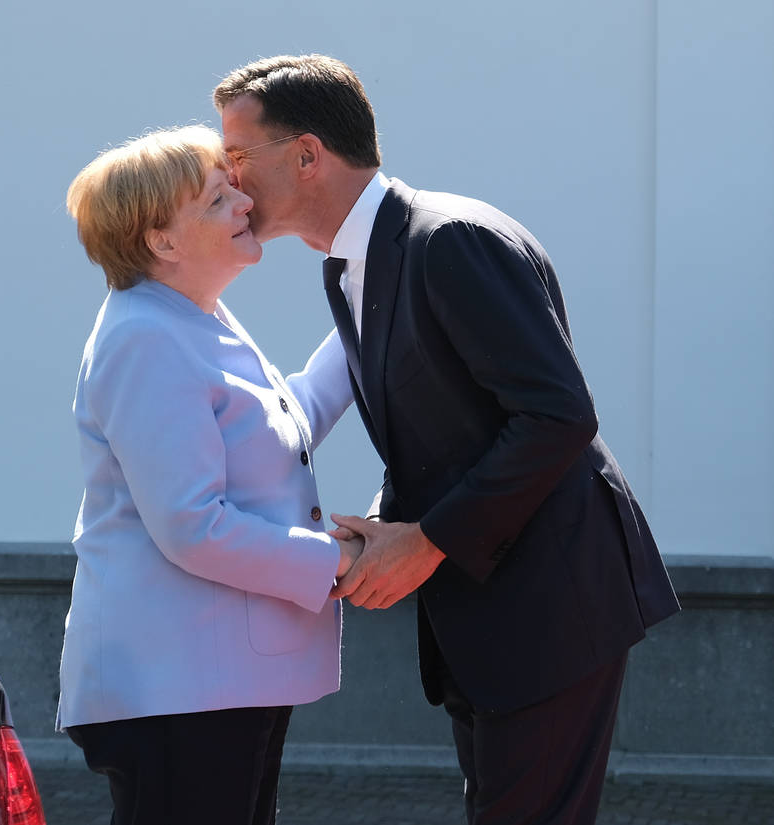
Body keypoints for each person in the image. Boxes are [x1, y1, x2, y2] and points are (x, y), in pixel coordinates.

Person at [213, 55, 680, 825]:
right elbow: (441, 429)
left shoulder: (451, 239)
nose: (229, 182)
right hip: (491, 608)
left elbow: (558, 415)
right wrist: (386, 526)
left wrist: (425, 541)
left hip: (553, 602)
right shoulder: (349, 266)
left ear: (307, 154)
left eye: (236, 158)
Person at [56, 124, 362, 825]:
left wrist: (370, 309)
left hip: (211, 680)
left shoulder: (192, 317)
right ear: (162, 241)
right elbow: (194, 526)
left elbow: (288, 424)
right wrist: (335, 560)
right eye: (218, 198)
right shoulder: (144, 336)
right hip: (178, 686)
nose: (245, 205)